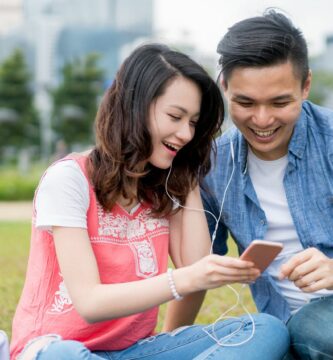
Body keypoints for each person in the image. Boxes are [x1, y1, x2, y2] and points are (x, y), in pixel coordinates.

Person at [10, 43, 289, 360]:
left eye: (194, 123)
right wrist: (184, 278)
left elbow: (193, 265)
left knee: (266, 330)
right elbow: (89, 303)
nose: (185, 133)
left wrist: (188, 170)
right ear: (133, 107)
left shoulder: (164, 186)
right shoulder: (69, 179)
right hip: (55, 347)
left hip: (136, 352)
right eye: (175, 116)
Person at [201, 9, 333, 360]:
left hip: (323, 326)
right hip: (276, 329)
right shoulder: (213, 165)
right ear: (224, 87)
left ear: (305, 86)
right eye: (245, 103)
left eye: (279, 102)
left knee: (315, 328)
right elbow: (196, 270)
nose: (262, 120)